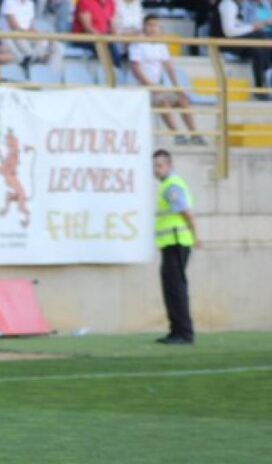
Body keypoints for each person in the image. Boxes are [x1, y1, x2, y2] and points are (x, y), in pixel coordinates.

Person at [129, 15, 203, 145]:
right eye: (150, 25)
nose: (152, 28)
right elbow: (136, 69)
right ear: (144, 27)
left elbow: (169, 67)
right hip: (141, 89)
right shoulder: (137, 44)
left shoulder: (161, 45)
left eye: (155, 25)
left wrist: (178, 88)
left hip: (158, 87)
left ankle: (195, 134)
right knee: (163, 101)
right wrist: (152, 86)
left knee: (182, 99)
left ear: (160, 28)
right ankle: (177, 135)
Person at [152, 150, 198, 345]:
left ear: (170, 166)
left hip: (177, 242)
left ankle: (184, 333)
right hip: (171, 243)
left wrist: (197, 235)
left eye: (160, 166)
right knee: (171, 288)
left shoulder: (172, 186)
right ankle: (176, 331)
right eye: (154, 166)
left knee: (176, 289)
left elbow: (186, 212)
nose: (156, 170)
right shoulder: (168, 186)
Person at [212, 0, 271, 99]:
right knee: (260, 35)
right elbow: (229, 32)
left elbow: (239, 25)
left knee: (257, 50)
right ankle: (265, 74)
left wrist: (253, 27)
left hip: (234, 42)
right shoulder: (228, 4)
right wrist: (252, 28)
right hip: (224, 43)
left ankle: (260, 87)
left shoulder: (236, 5)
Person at [0, 0, 64, 70]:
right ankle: (34, 60)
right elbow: (14, 27)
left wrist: (38, 34)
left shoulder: (30, 4)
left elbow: (31, 26)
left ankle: (49, 70)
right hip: (12, 36)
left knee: (53, 44)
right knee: (19, 36)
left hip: (26, 35)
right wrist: (30, 33)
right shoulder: (8, 2)